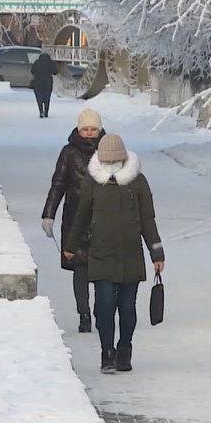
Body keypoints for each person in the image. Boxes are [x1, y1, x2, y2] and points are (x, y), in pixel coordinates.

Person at [64, 134, 165, 374]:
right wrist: (70, 245)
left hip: (131, 255)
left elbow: (148, 220)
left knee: (127, 309)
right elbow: (82, 216)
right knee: (105, 306)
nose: (111, 166)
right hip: (101, 254)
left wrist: (157, 254)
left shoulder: (138, 183)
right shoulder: (92, 182)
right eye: (106, 161)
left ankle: (124, 349)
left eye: (115, 161)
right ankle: (106, 353)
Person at [42, 109, 105, 334]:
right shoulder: (69, 152)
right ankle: (84, 314)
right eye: (85, 129)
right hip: (76, 216)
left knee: (101, 269)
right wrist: (49, 213)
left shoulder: (108, 151)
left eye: (93, 129)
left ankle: (101, 311)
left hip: (103, 218)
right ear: (79, 130)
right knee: (80, 267)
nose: (89, 134)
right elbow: (58, 183)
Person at [30, 52, 56, 118]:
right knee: (47, 98)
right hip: (48, 82)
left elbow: (32, 71)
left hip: (38, 82)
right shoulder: (50, 63)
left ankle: (41, 112)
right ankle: (46, 113)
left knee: (39, 98)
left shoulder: (37, 62)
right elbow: (55, 72)